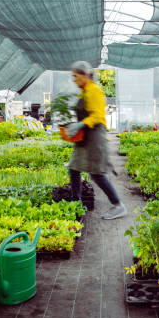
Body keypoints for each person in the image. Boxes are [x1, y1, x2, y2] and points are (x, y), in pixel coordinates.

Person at [65, 61, 127, 220]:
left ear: (85, 75)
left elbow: (98, 116)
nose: (74, 80)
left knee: (96, 173)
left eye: (76, 76)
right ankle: (76, 202)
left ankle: (118, 205)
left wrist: (80, 124)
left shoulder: (94, 91)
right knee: (74, 168)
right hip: (84, 137)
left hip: (94, 137)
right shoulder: (84, 91)